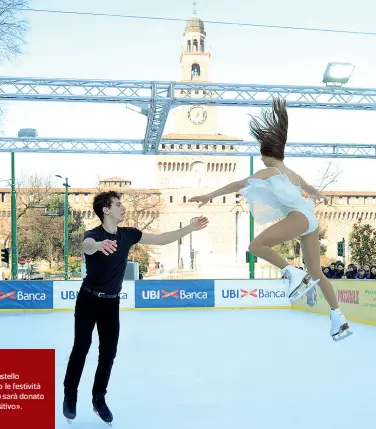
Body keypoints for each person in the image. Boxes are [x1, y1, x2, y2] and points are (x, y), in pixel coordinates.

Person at [189, 98, 352, 342]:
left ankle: (292, 273)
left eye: (262, 155)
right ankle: (338, 317)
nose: (261, 159)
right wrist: (323, 197)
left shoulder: (269, 171)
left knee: (255, 246)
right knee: (317, 272)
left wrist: (209, 195)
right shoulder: (291, 173)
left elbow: (238, 184)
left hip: (300, 217)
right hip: (310, 219)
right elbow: (309, 188)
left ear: (267, 154)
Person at [63, 190, 208, 425]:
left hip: (111, 302)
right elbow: (87, 245)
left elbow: (161, 238)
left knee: (108, 354)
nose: (123, 208)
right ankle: (70, 393)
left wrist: (190, 228)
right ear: (106, 210)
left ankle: (98, 398)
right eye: (118, 204)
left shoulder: (128, 234)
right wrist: (99, 245)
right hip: (88, 300)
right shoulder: (94, 234)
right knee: (81, 347)